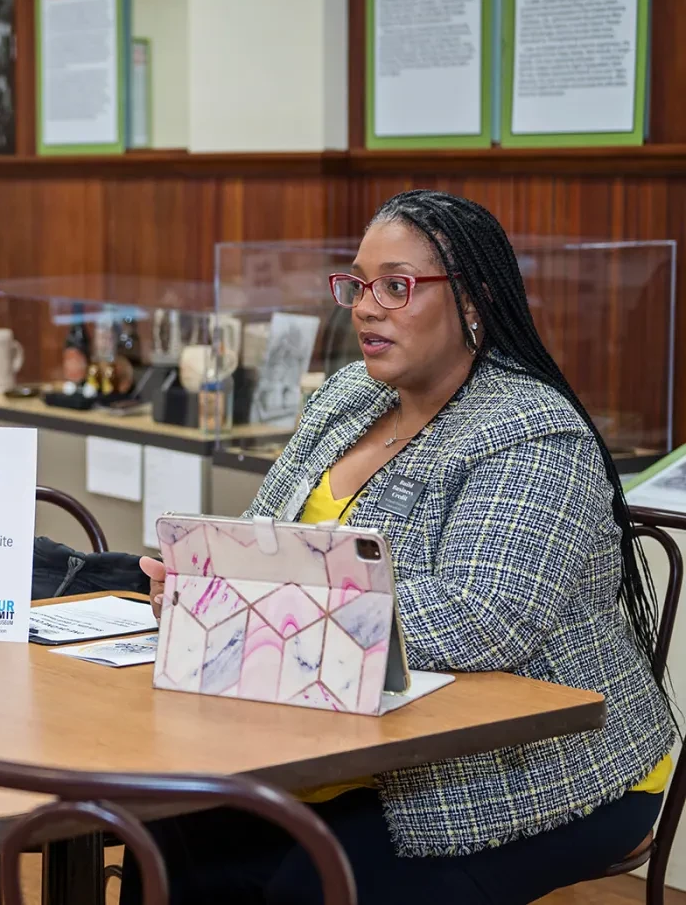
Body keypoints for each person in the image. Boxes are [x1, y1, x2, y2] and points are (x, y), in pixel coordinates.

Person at [129, 190, 675, 905]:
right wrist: (200, 585)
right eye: (357, 284)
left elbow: (485, 616)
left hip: (530, 759)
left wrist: (257, 606)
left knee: (317, 882)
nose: (363, 306)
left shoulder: (532, 430)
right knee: (169, 834)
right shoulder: (348, 395)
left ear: (474, 301)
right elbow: (260, 537)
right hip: (358, 731)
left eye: (397, 285)